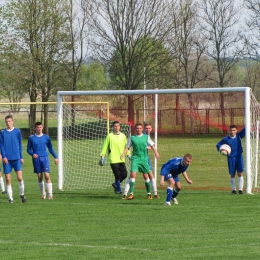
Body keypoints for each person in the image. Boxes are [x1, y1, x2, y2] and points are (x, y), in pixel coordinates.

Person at [121, 123, 160, 200]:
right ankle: (131, 194)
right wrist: (123, 154)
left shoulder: (146, 137)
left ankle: (149, 193)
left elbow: (152, 145)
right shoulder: (132, 138)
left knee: (146, 175)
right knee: (133, 174)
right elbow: (127, 147)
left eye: (140, 128)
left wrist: (156, 152)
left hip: (144, 159)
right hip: (135, 159)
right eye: (137, 128)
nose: (138, 129)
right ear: (135, 129)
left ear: (142, 129)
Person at [27, 122, 58, 200]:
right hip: (36, 159)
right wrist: (32, 154)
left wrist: (56, 157)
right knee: (40, 176)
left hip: (45, 158)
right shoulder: (31, 138)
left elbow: (50, 148)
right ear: (35, 128)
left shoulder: (46, 137)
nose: (39, 129)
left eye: (40, 127)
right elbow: (28, 149)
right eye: (37, 127)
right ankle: (43, 193)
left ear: (42, 127)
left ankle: (50, 194)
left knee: (47, 176)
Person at [0, 115, 26, 203]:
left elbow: (19, 144)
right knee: (7, 178)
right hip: (7, 159)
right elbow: (2, 145)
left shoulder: (17, 131)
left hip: (16, 158)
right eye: (6, 121)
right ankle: (10, 198)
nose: (8, 123)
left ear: (12, 121)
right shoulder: (3, 132)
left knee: (19, 177)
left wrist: (21, 157)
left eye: (9, 121)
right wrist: (4, 156)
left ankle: (22, 194)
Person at [100, 121, 129, 194]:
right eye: (115, 126)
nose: (116, 127)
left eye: (118, 126)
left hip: (121, 158)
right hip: (113, 158)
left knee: (125, 174)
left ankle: (116, 184)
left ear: (120, 127)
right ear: (113, 127)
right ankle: (119, 190)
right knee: (117, 174)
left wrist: (128, 154)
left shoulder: (123, 136)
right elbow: (105, 146)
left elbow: (126, 146)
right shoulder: (109, 136)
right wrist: (102, 156)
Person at [216, 125, 245, 195]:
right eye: (231, 130)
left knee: (240, 173)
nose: (232, 132)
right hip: (231, 158)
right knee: (232, 174)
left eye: (234, 130)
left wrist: (248, 123)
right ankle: (234, 190)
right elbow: (218, 144)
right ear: (229, 131)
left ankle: (240, 190)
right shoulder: (226, 139)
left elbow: (245, 130)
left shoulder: (239, 136)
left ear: (236, 131)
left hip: (239, 157)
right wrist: (221, 149)